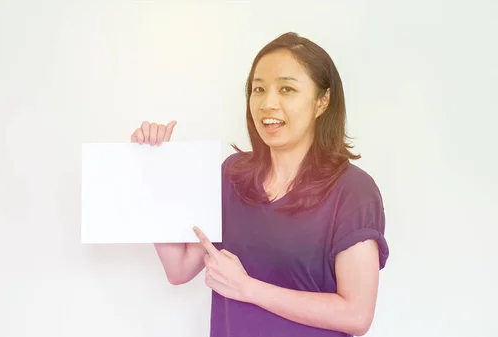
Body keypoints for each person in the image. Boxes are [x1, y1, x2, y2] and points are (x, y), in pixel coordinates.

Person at [130, 32, 389, 337]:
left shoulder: (353, 191)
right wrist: (154, 170)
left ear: (322, 101)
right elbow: (180, 269)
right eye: (258, 89)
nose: (268, 103)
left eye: (287, 89)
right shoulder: (232, 176)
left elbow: (356, 315)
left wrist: (247, 288)